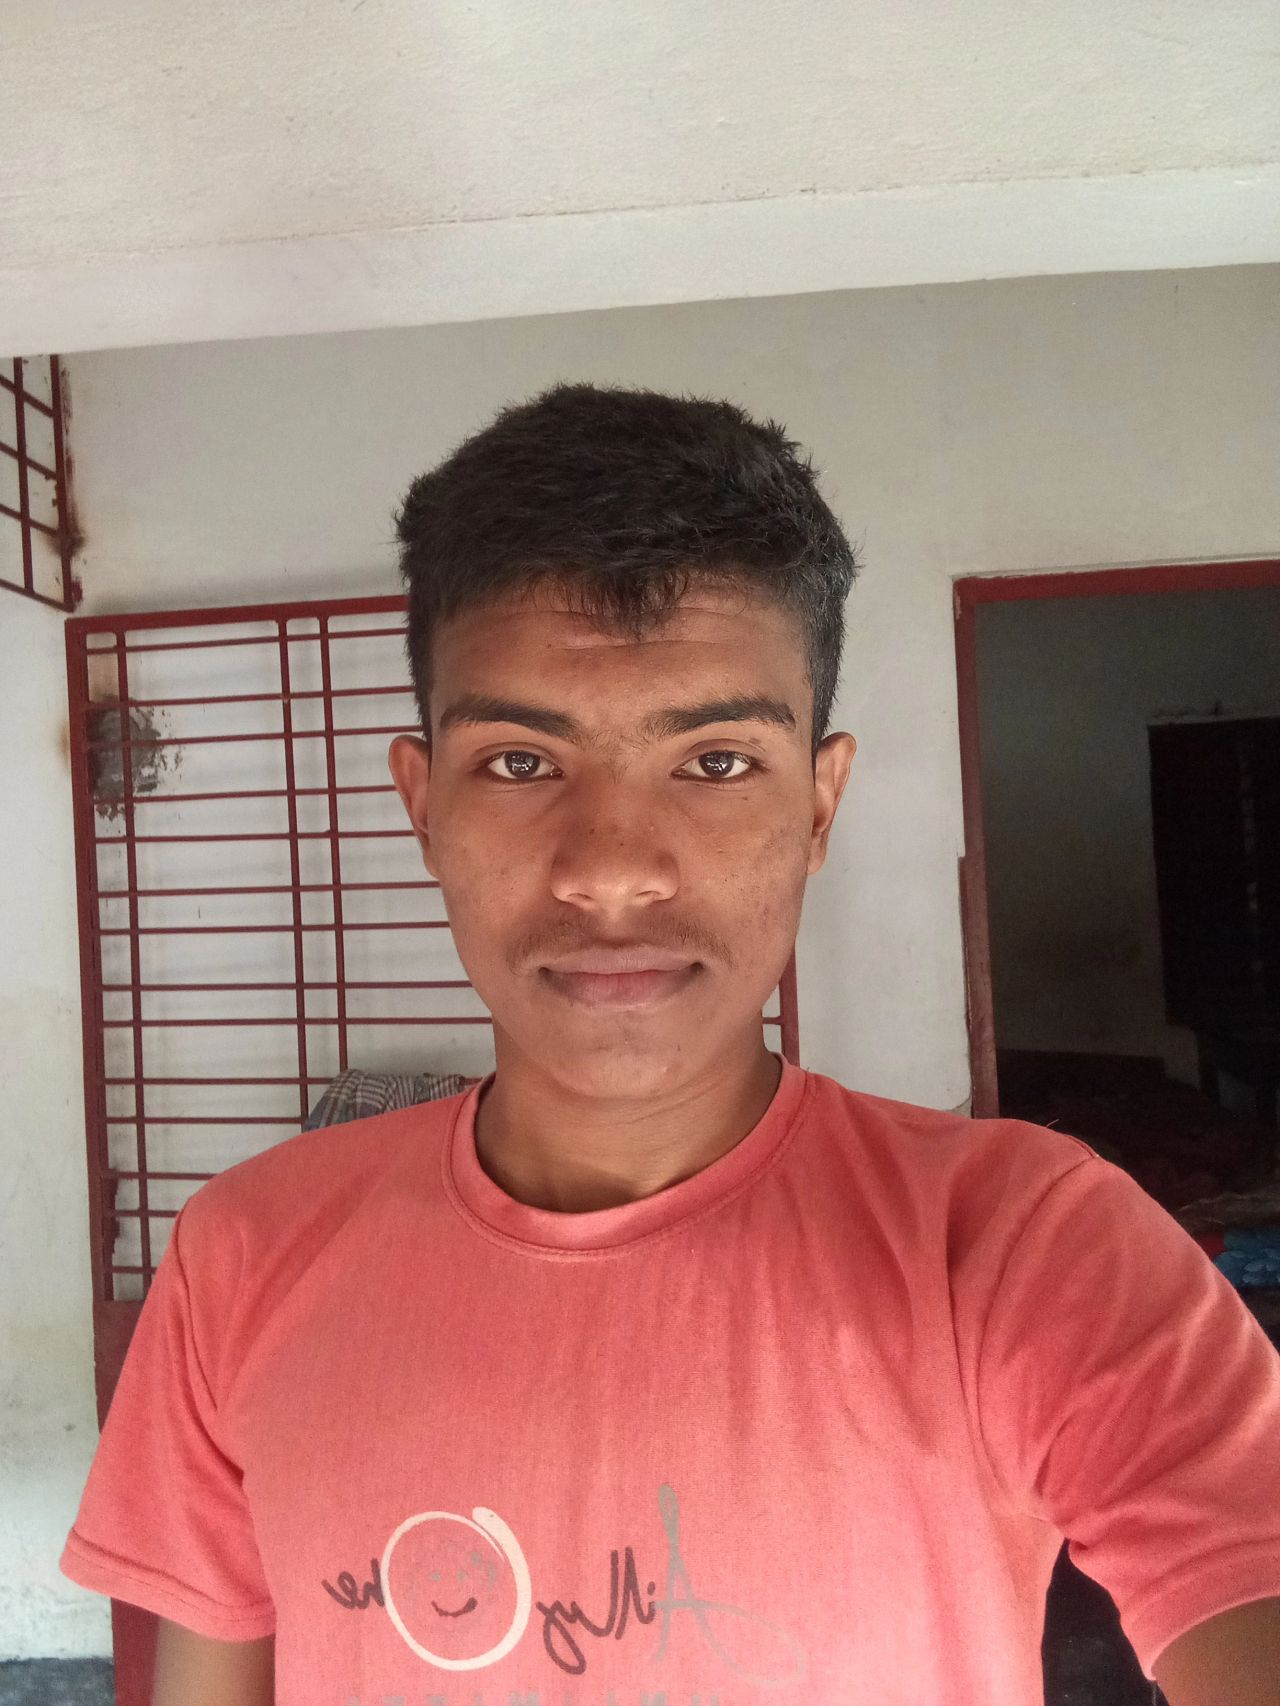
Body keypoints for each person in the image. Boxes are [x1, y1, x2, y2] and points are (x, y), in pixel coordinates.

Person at [60, 383, 1280, 1705]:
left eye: (715, 762)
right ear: (424, 806)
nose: (612, 872)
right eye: (520, 763)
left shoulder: (1026, 1248)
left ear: (820, 807)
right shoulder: (247, 1254)